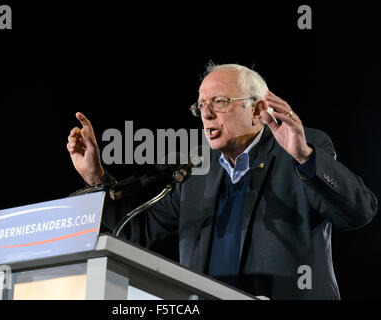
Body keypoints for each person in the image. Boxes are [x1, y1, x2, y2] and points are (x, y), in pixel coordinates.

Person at [66, 63, 378, 299]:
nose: (206, 114)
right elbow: (137, 231)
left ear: (256, 110)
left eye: (219, 101)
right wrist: (96, 177)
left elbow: (358, 211)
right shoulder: (197, 171)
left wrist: (305, 157)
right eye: (201, 105)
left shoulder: (300, 149)